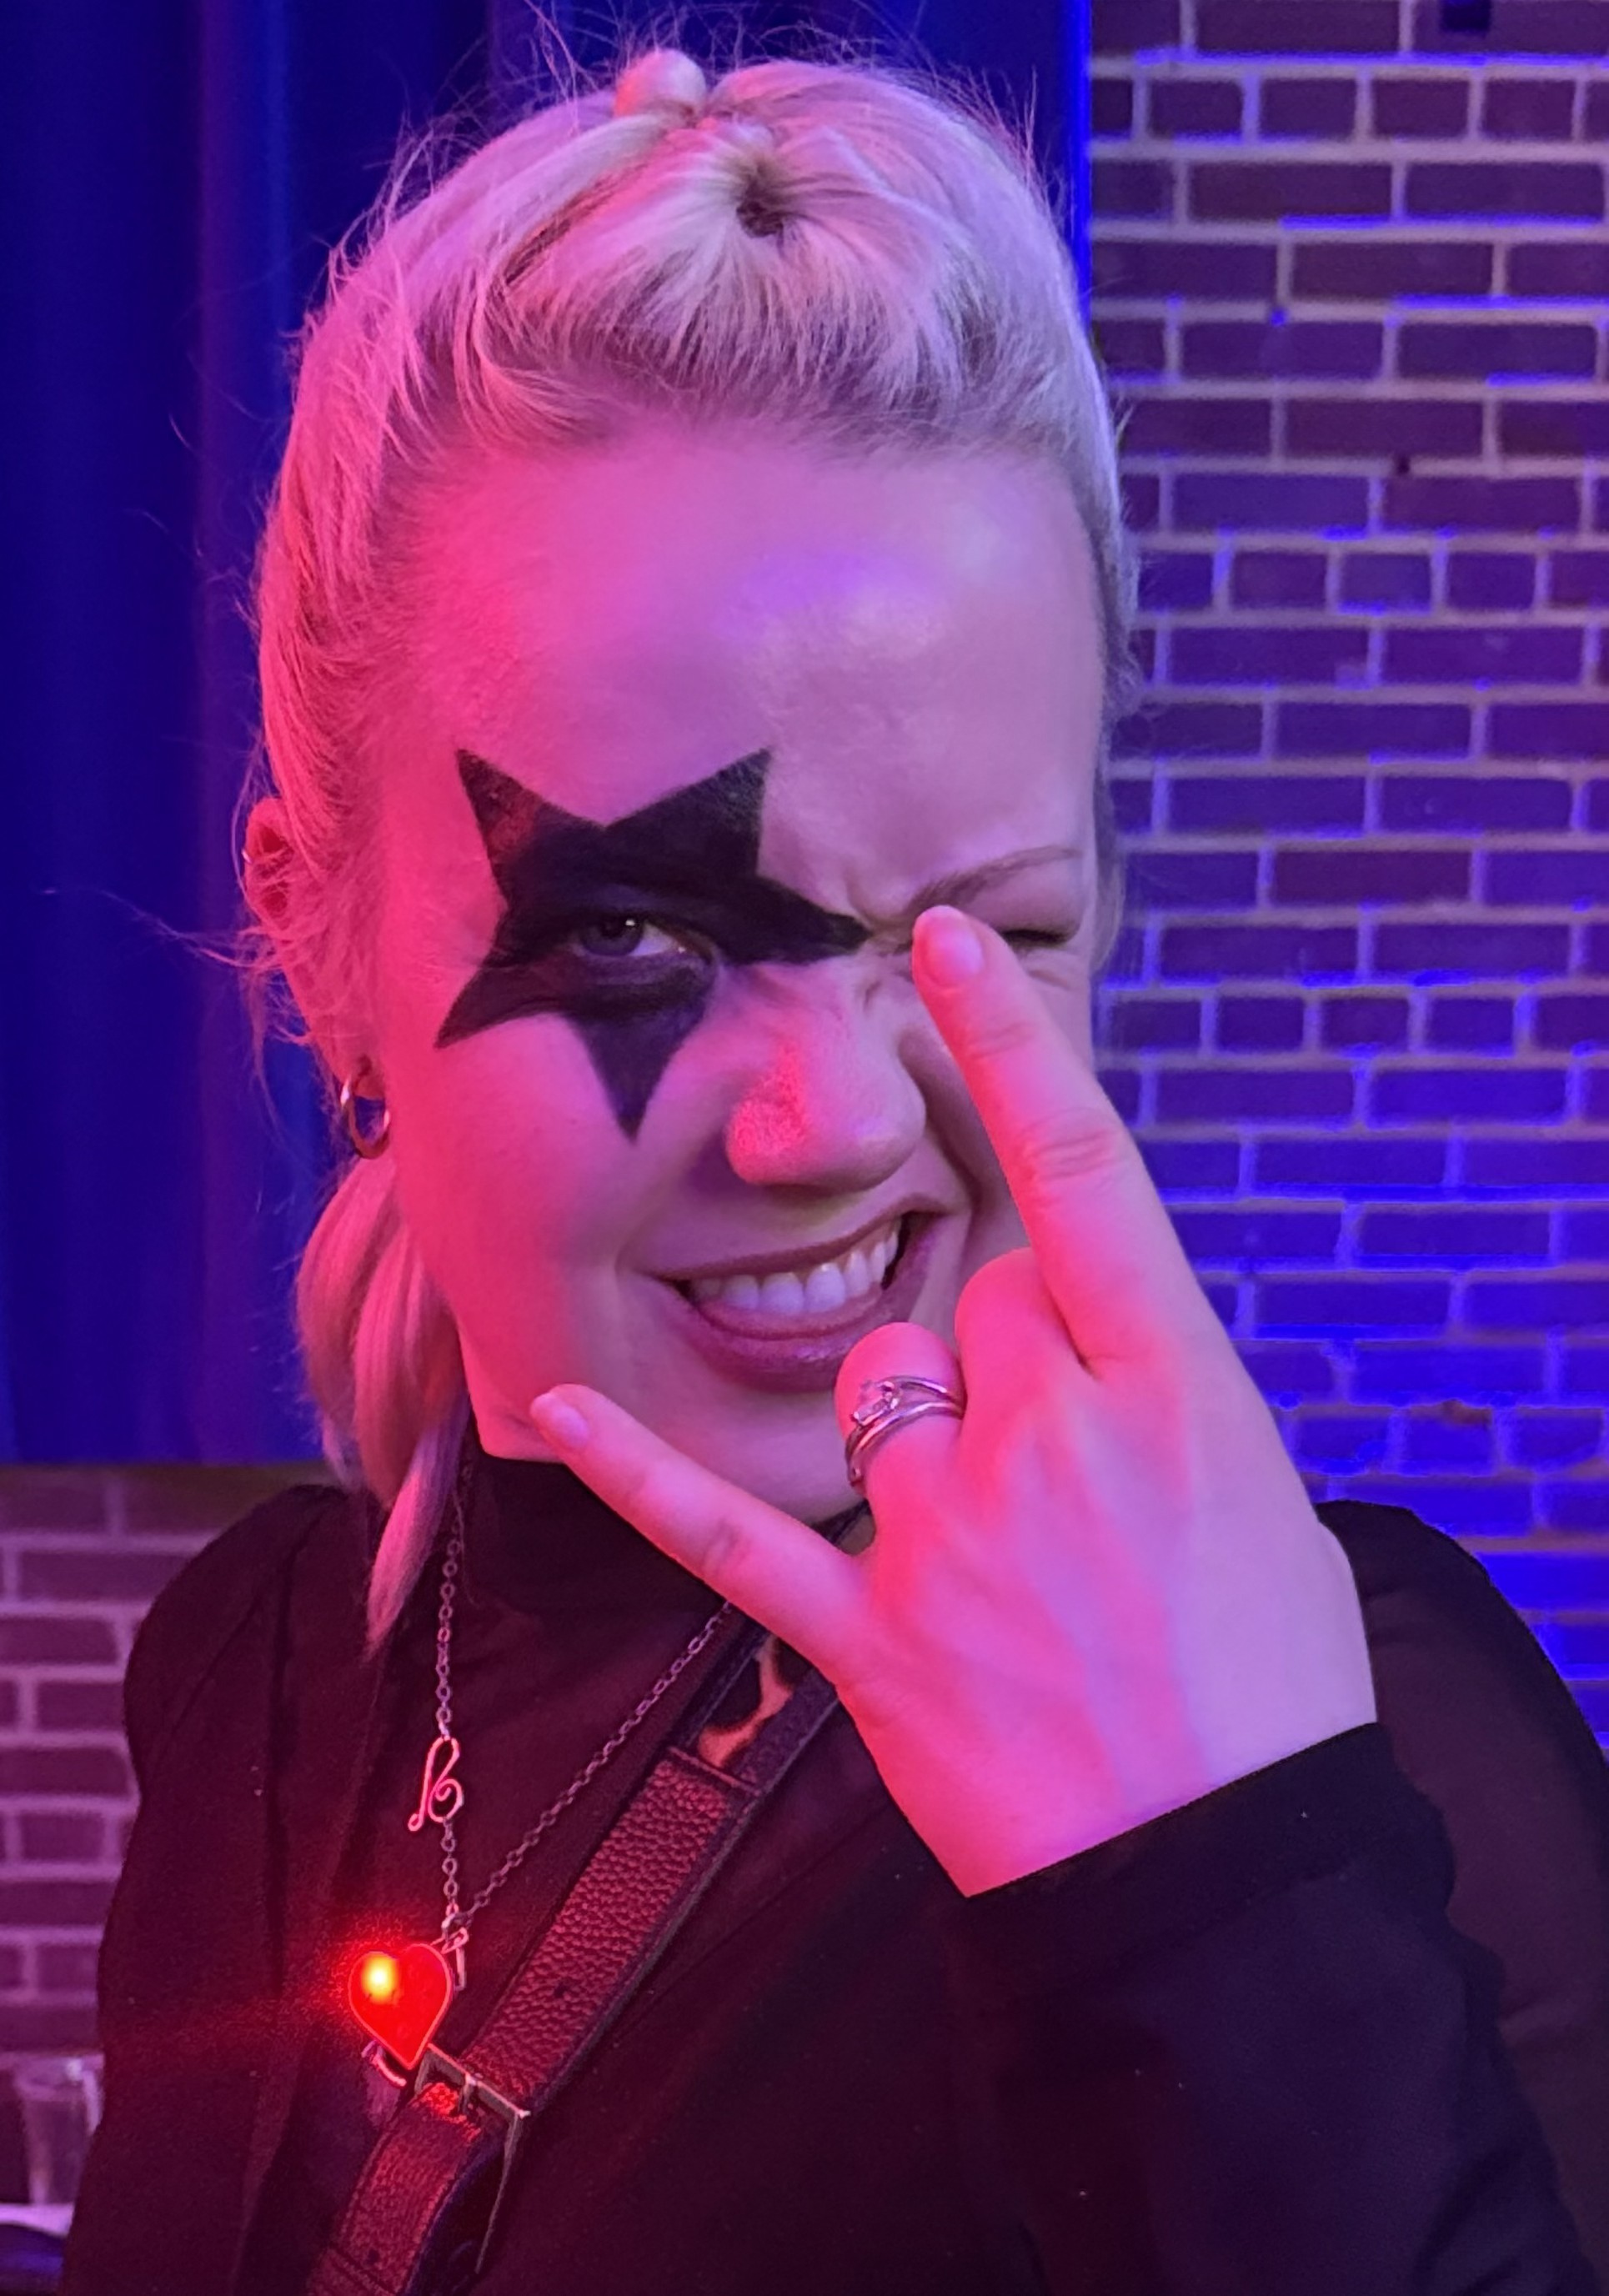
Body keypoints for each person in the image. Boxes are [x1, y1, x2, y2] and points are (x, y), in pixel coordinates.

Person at [63, 43, 1609, 2296]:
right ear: (316, 939)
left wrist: (1212, 1916)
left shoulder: (1358, 1745)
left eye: (983, 933)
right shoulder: (257, 1667)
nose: (842, 1124)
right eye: (628, 933)